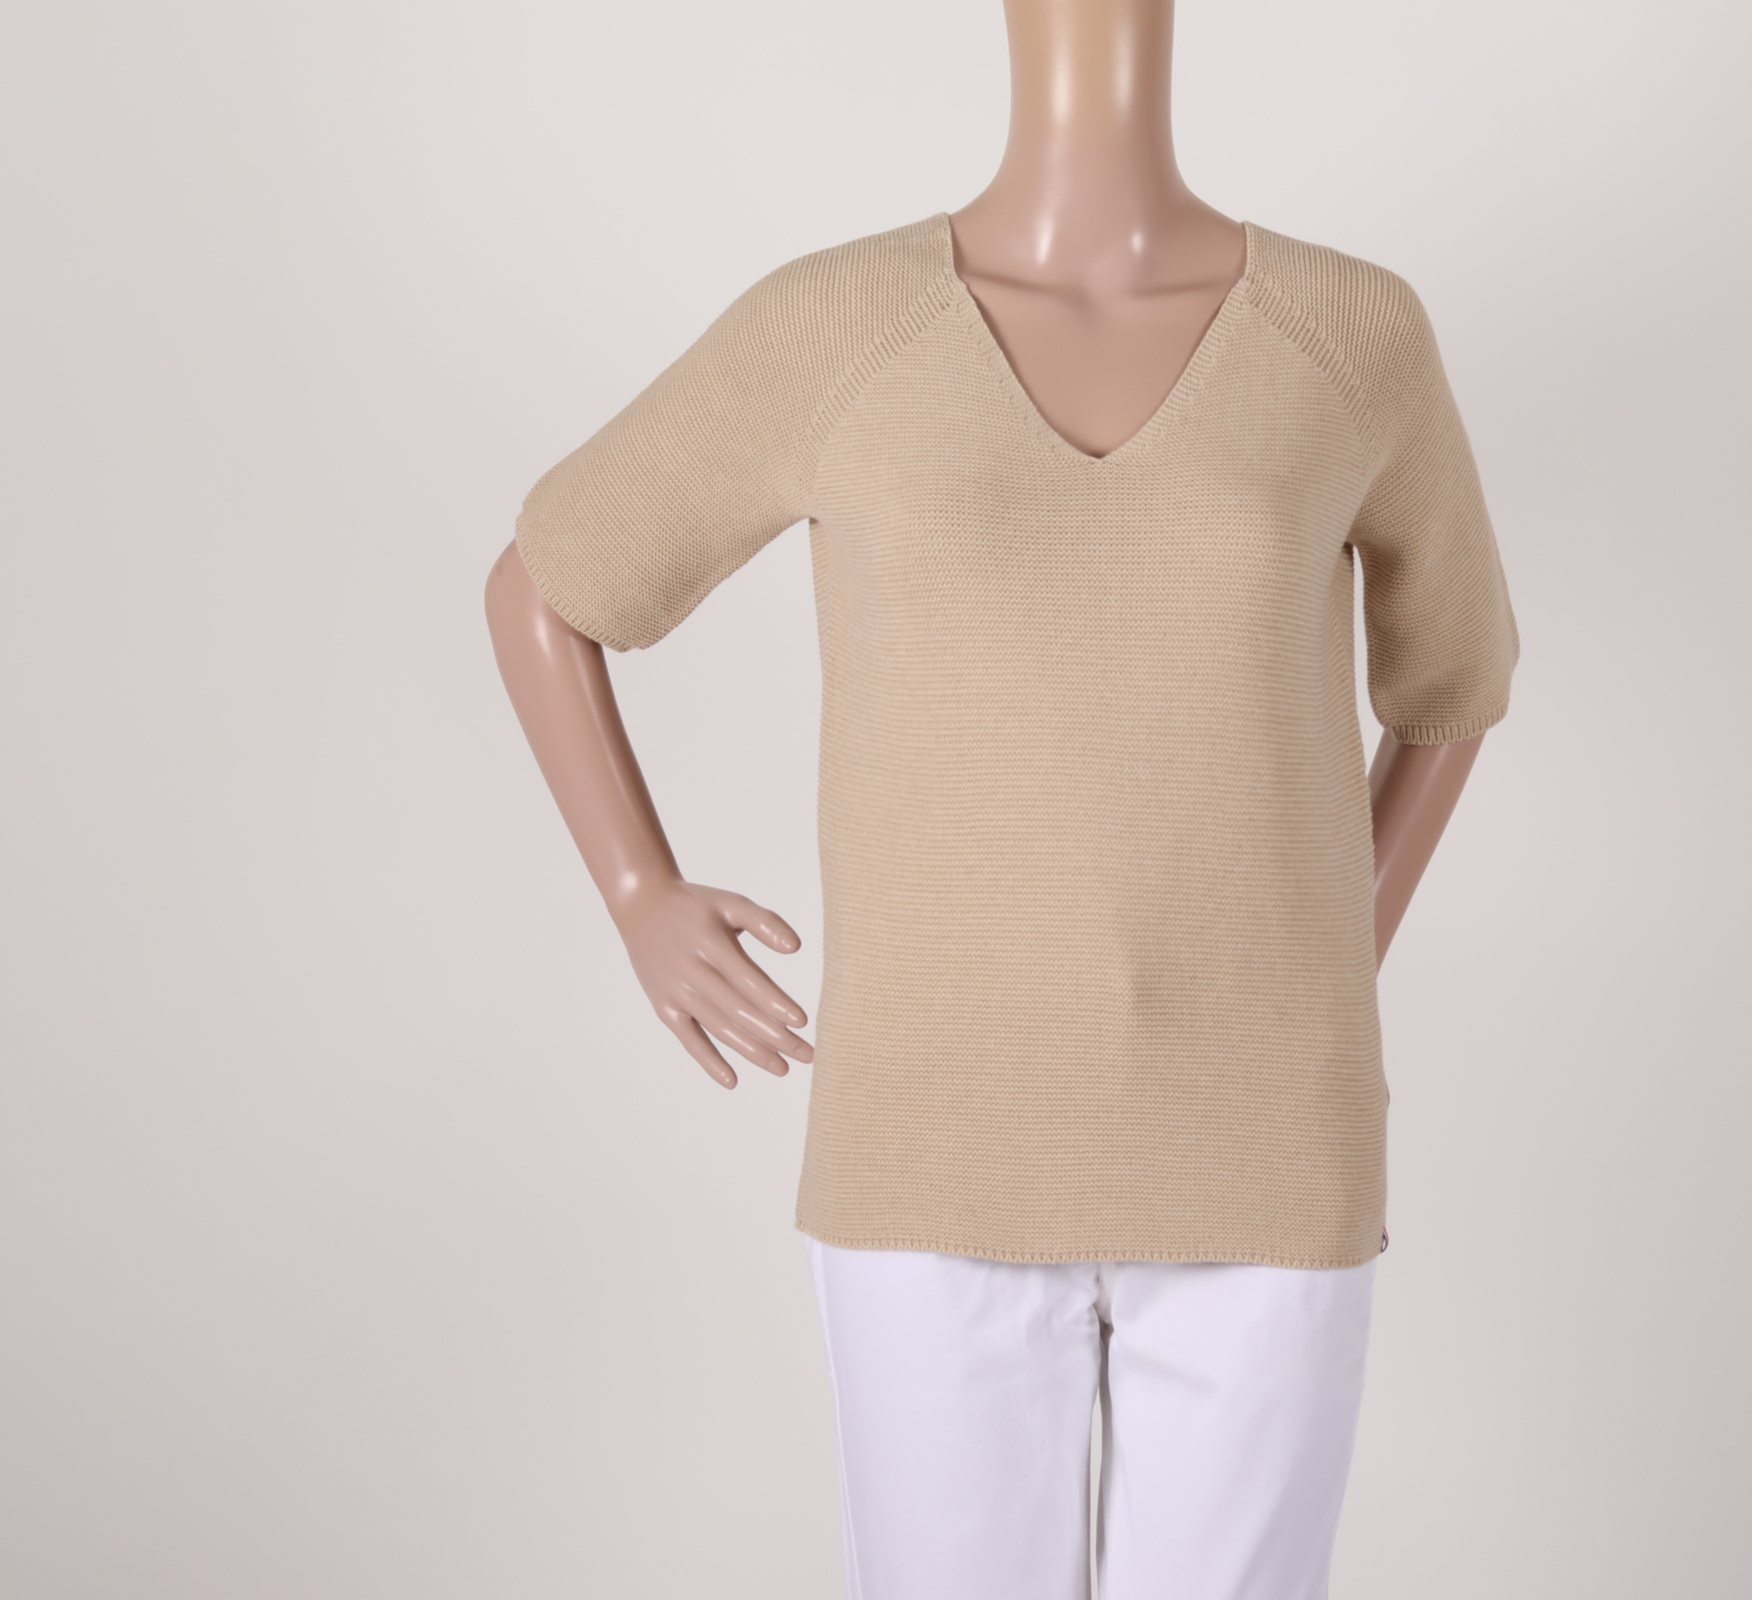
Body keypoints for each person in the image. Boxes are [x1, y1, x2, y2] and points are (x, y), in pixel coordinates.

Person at [484, 2, 1518, 1595]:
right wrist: (640, 896)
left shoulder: (1351, 333)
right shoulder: (835, 327)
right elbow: (546, 588)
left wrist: (1315, 969)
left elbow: (1455, 686)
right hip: (932, 1139)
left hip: (1264, 1150)